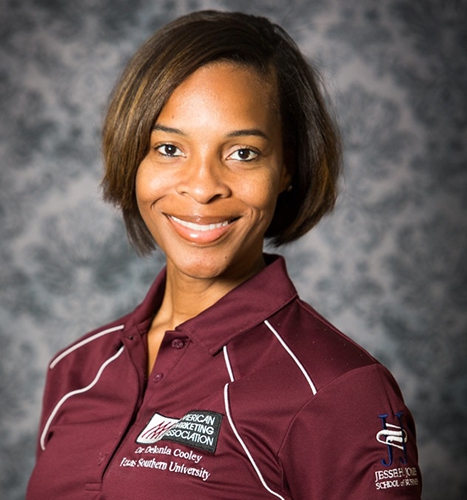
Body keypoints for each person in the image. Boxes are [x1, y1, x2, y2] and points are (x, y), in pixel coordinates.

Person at [27, 10, 421, 499]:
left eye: (242, 153)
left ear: (287, 167)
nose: (202, 187)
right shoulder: (77, 368)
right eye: (169, 148)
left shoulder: (340, 389)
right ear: (133, 156)